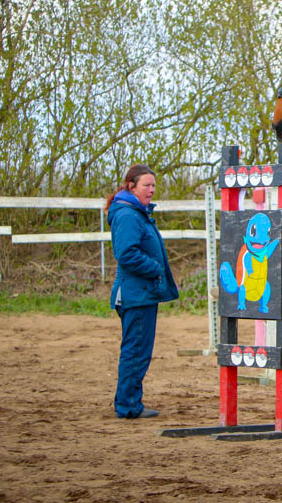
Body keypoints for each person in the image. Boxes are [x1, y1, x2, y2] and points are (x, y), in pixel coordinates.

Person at [105, 164, 178, 418]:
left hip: (142, 293)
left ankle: (130, 402)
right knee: (135, 352)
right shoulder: (128, 215)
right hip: (136, 295)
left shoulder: (135, 212)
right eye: (147, 185)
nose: (152, 190)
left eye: (154, 185)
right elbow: (126, 254)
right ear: (131, 186)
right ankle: (128, 405)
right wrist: (156, 268)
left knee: (138, 351)